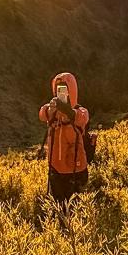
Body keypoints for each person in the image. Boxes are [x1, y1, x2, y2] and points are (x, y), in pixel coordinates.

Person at [38, 72, 89, 203]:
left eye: (65, 89)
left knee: (77, 210)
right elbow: (42, 114)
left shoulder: (80, 111)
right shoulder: (52, 111)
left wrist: (68, 110)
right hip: (56, 170)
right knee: (58, 208)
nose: (62, 93)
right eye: (58, 89)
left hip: (76, 171)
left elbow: (81, 118)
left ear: (71, 91)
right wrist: (52, 109)